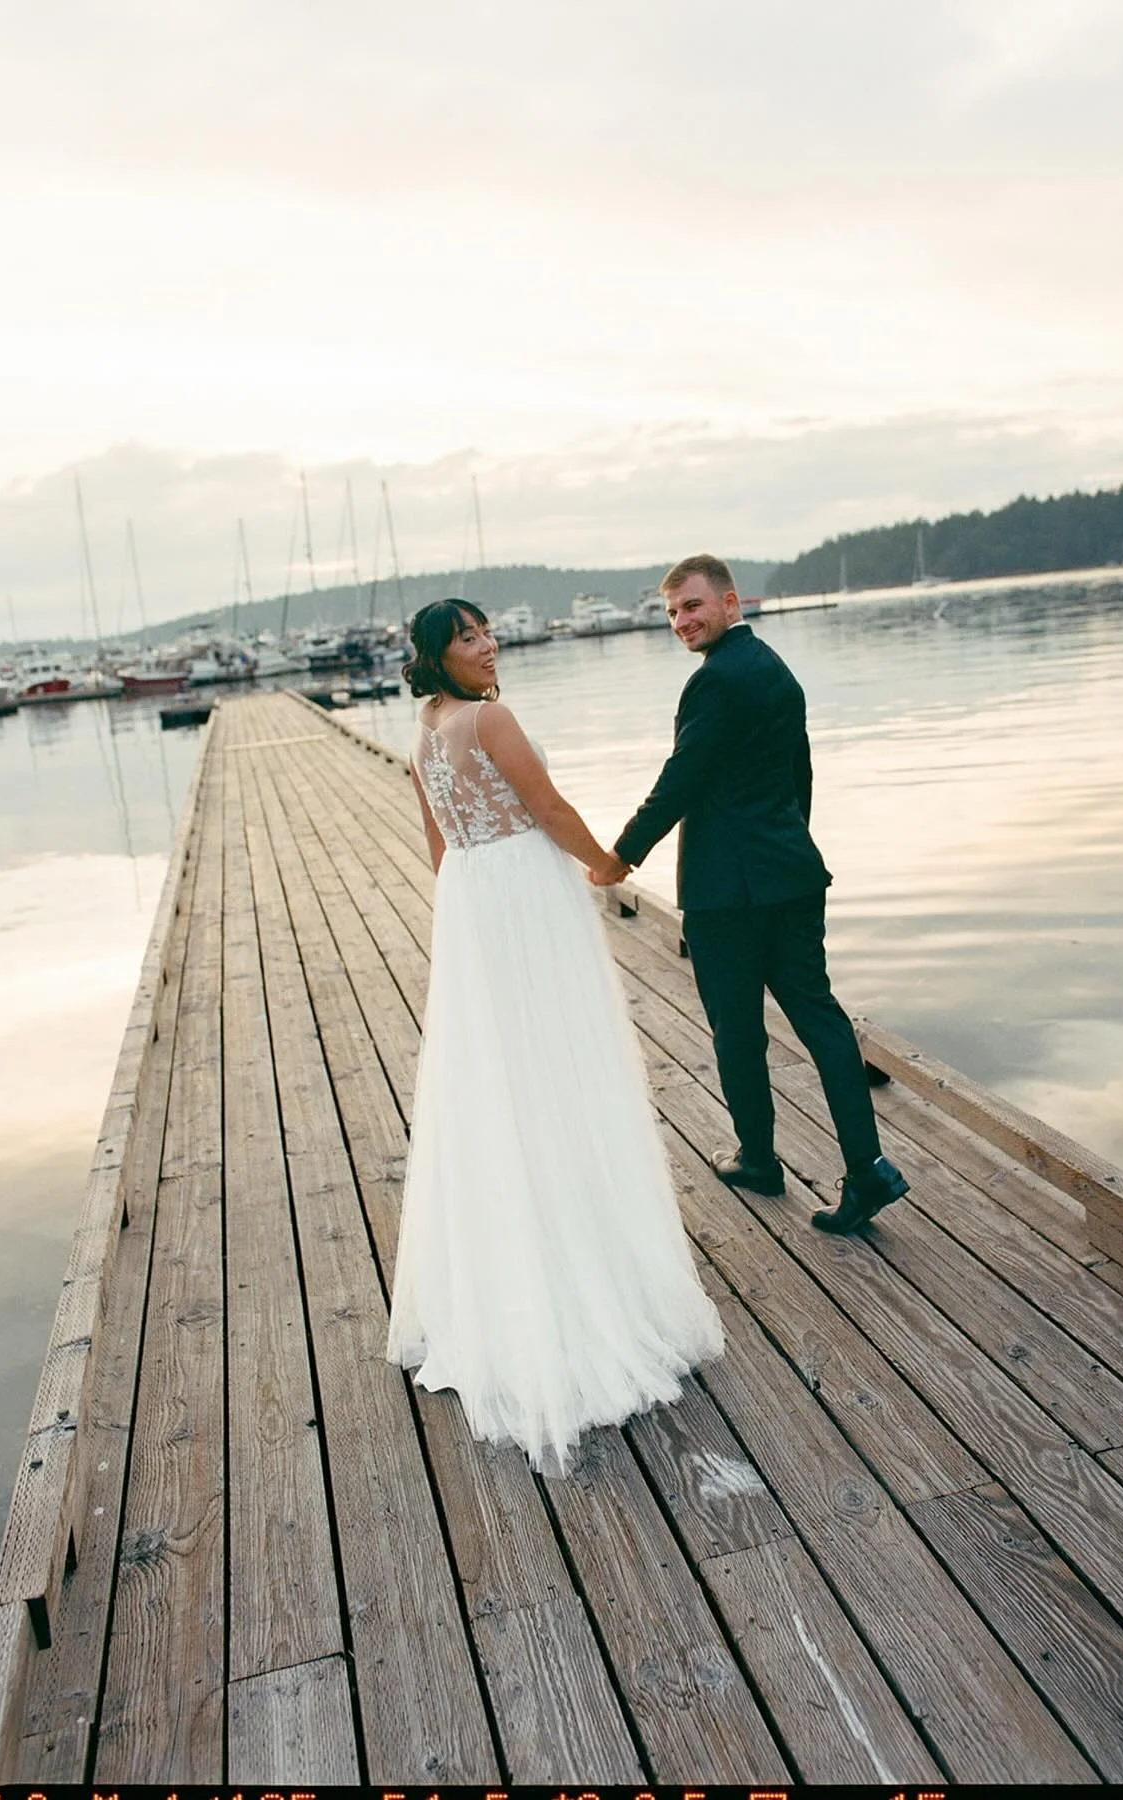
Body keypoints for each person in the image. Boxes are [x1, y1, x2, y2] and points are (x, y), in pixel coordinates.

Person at [384, 599, 724, 1477]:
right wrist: (608, 864)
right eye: (468, 636)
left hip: (471, 897)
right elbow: (547, 806)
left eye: (487, 630)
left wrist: (474, 905)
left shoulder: (424, 726)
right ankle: (584, 1279)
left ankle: (505, 1285)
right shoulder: (489, 716)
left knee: (498, 1078)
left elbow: (436, 842)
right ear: (437, 653)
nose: (487, 643)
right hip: (524, 894)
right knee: (562, 1069)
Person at [589, 554, 909, 1235]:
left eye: (693, 606)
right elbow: (800, 775)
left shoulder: (714, 684)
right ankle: (869, 1169)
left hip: (726, 893)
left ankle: (759, 1162)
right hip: (791, 876)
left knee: (737, 1031)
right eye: (672, 612)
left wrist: (620, 856)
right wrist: (786, 846)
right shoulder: (776, 673)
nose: (682, 621)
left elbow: (681, 780)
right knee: (822, 1024)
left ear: (731, 602)